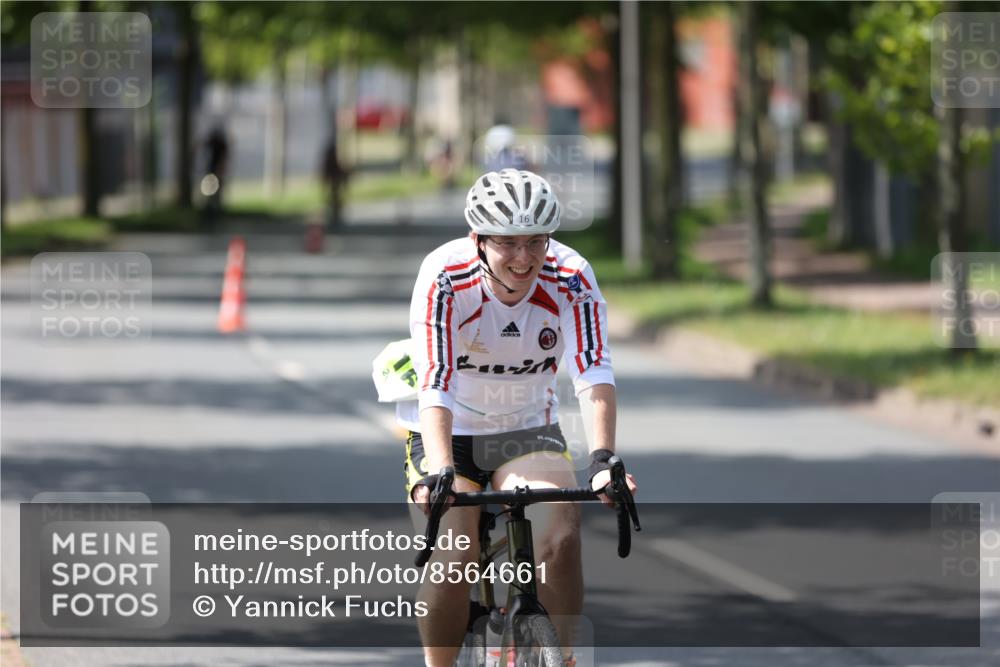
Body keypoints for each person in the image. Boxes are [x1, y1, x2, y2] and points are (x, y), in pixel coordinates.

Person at [398, 169, 638, 667]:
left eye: (536, 242)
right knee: (455, 553)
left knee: (562, 535)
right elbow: (436, 379)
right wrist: (441, 470)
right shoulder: (445, 276)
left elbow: (593, 370)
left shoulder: (570, 276)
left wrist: (602, 459)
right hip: (449, 432)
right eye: (507, 243)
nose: (525, 258)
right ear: (478, 240)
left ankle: (561, 657)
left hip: (526, 429)